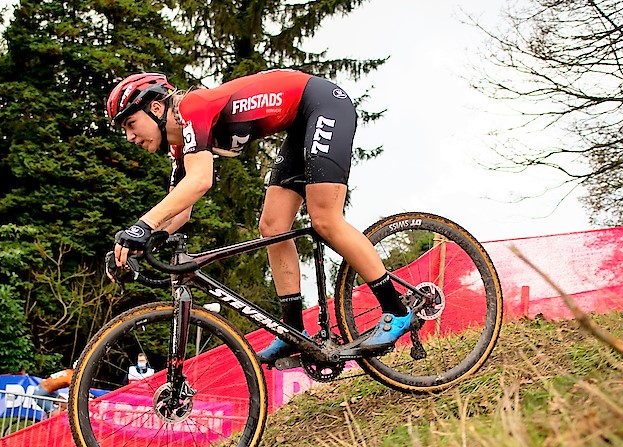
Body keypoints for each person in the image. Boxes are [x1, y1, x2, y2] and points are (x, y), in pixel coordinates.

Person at [105, 69, 414, 364]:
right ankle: (294, 330)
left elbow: (200, 181)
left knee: (325, 219)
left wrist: (142, 226)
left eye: (131, 123)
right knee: (272, 226)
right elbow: (180, 210)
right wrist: (139, 242)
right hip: (300, 122)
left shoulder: (192, 107)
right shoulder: (180, 145)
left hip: (324, 105)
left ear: (157, 107)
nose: (130, 137)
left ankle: (396, 308)